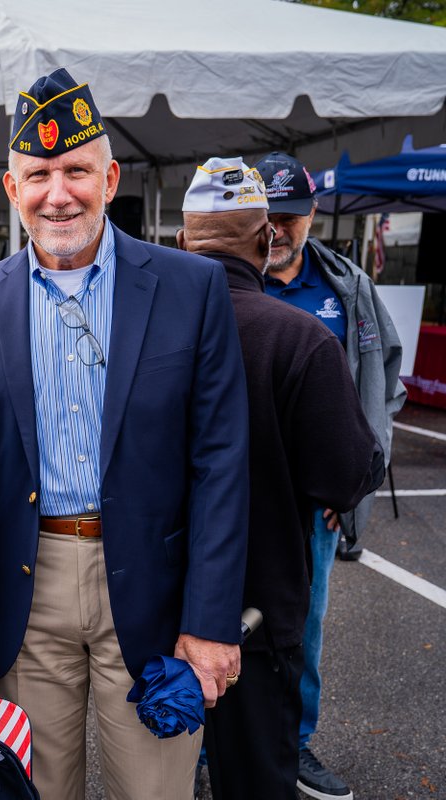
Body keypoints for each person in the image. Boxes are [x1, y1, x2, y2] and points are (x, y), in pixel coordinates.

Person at [0, 68, 250, 799]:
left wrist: (211, 622)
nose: (59, 192)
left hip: (153, 586)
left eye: (76, 170)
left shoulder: (190, 287)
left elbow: (222, 460)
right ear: (11, 190)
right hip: (26, 585)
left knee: (153, 790)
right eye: (39, 173)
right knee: (34, 791)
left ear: (109, 178)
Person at [176, 157, 385, 800]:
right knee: (257, 777)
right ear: (267, 239)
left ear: (183, 241)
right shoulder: (298, 339)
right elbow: (350, 472)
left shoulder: (135, 334)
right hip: (258, 612)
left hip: (148, 604)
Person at [254, 151, 406, 800]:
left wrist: (351, 479)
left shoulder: (346, 287)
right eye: (268, 216)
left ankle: (293, 744)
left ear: (311, 213)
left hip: (314, 505)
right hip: (238, 496)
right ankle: (216, 743)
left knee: (302, 632)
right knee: (218, 621)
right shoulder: (225, 280)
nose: (279, 229)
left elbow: (383, 381)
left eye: (291, 216)